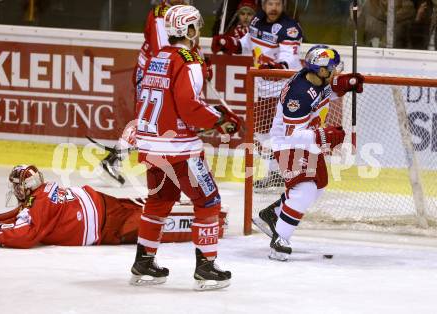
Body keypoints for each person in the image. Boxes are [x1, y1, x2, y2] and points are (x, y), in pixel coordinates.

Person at [129, 5, 241, 290]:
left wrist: (212, 112)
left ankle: (144, 263)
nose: (199, 32)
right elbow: (189, 108)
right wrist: (219, 120)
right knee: (208, 201)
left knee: (159, 201)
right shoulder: (188, 60)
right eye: (196, 27)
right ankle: (206, 268)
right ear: (189, 30)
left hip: (151, 144)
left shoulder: (158, 56)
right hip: (179, 149)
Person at [255, 45, 364, 261]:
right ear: (321, 71)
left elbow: (326, 91)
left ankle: (274, 215)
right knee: (304, 189)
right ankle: (280, 241)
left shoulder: (314, 79)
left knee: (319, 187)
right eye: (333, 69)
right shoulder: (299, 95)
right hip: (287, 143)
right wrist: (323, 136)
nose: (335, 71)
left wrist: (344, 84)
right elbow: (291, 134)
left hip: (304, 139)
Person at [99, 0, 214, 186]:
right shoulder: (161, 14)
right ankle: (115, 159)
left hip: (163, 70)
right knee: (147, 118)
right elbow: (166, 49)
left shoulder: (180, 11)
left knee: (155, 118)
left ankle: (117, 159)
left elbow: (187, 44)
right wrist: (194, 61)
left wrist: (199, 59)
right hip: (153, 72)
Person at [212, 0, 304, 189]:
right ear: (263, 4)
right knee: (262, 133)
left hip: (284, 87)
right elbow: (245, 45)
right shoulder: (256, 21)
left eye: (278, 4)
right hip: (264, 87)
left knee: (278, 133)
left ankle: (286, 174)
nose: (274, 8)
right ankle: (276, 173)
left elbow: (289, 58)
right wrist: (228, 43)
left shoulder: (290, 28)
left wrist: (278, 67)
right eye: (270, 3)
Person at [0, 165, 142, 248]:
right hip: (101, 202)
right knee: (150, 205)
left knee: (154, 223)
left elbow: (25, 235)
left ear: (27, 186)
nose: (16, 191)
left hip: (107, 225)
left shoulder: (39, 205)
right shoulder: (43, 191)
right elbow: (20, 215)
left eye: (17, 187)